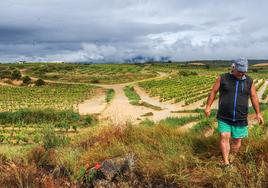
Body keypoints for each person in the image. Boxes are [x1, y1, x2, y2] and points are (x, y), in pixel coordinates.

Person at [204, 58, 264, 166]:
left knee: (237, 141)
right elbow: (213, 92)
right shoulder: (222, 78)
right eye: (239, 71)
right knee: (224, 136)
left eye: (244, 71)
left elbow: (254, 96)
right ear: (233, 67)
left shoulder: (249, 81)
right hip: (224, 116)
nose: (242, 73)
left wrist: (258, 113)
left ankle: (232, 158)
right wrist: (208, 106)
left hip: (241, 117)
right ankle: (226, 163)